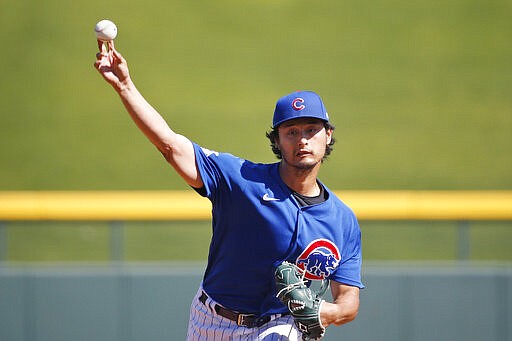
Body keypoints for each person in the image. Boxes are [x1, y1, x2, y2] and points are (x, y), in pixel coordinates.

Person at [94, 40, 364, 340]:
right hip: (212, 320)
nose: (302, 140)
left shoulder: (342, 220)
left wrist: (328, 312)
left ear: (327, 135)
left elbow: (348, 299)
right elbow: (171, 146)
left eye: (311, 130)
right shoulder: (241, 179)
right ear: (277, 141)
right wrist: (125, 86)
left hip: (279, 325)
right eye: (292, 132)